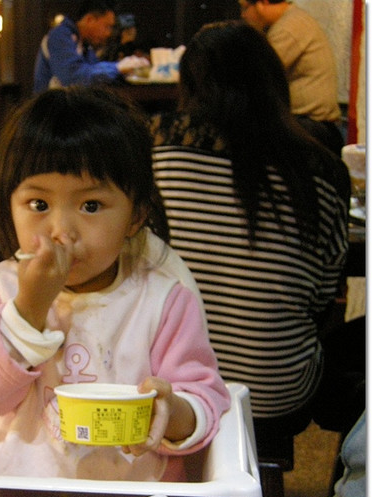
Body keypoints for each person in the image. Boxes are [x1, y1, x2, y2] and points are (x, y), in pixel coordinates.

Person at [0, 86, 230, 481]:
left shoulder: (163, 301)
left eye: (91, 205)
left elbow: (206, 398)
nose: (61, 231)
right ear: (10, 205)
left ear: (136, 215)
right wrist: (26, 311)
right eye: (39, 204)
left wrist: (172, 412)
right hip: (15, 492)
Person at [150, 21, 350, 460]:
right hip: (279, 396)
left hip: (171, 387)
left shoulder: (157, 147)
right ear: (274, 82)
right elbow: (323, 299)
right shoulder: (320, 167)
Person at [238, 0, 344, 155]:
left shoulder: (289, 28)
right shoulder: (291, 20)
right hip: (308, 126)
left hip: (311, 129)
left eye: (245, 7)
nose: (243, 15)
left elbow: (254, 75)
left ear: (263, 3)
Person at [33, 1, 148, 93]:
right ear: (90, 20)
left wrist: (127, 70)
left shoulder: (85, 45)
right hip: (52, 111)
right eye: (107, 27)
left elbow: (94, 76)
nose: (108, 33)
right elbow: (72, 78)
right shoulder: (60, 35)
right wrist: (118, 67)